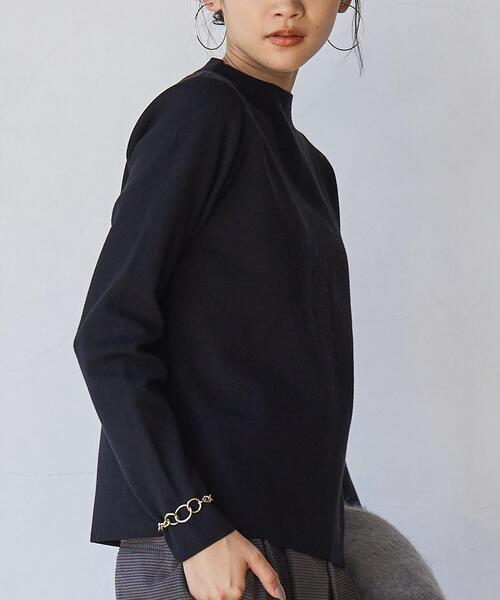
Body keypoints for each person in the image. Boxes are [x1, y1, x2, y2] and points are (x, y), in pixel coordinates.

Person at [73, 1, 365, 598]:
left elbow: (305, 378)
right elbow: (110, 335)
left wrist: (349, 527)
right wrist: (194, 527)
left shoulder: (314, 169)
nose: (287, 7)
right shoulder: (200, 114)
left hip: (301, 543)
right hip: (211, 545)